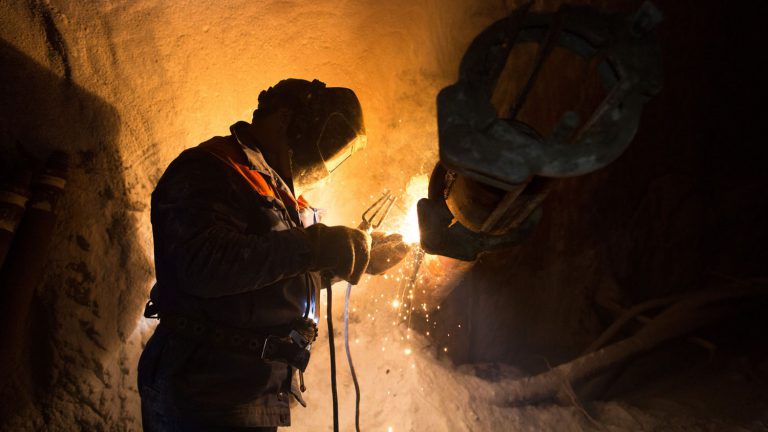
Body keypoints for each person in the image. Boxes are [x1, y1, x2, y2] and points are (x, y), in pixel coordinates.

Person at [138, 78, 409, 431]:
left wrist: (350, 260)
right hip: (204, 388)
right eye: (328, 143)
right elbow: (202, 265)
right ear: (285, 119)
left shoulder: (279, 191)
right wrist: (317, 247)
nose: (326, 158)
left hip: (253, 390)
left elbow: (272, 277)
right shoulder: (211, 167)